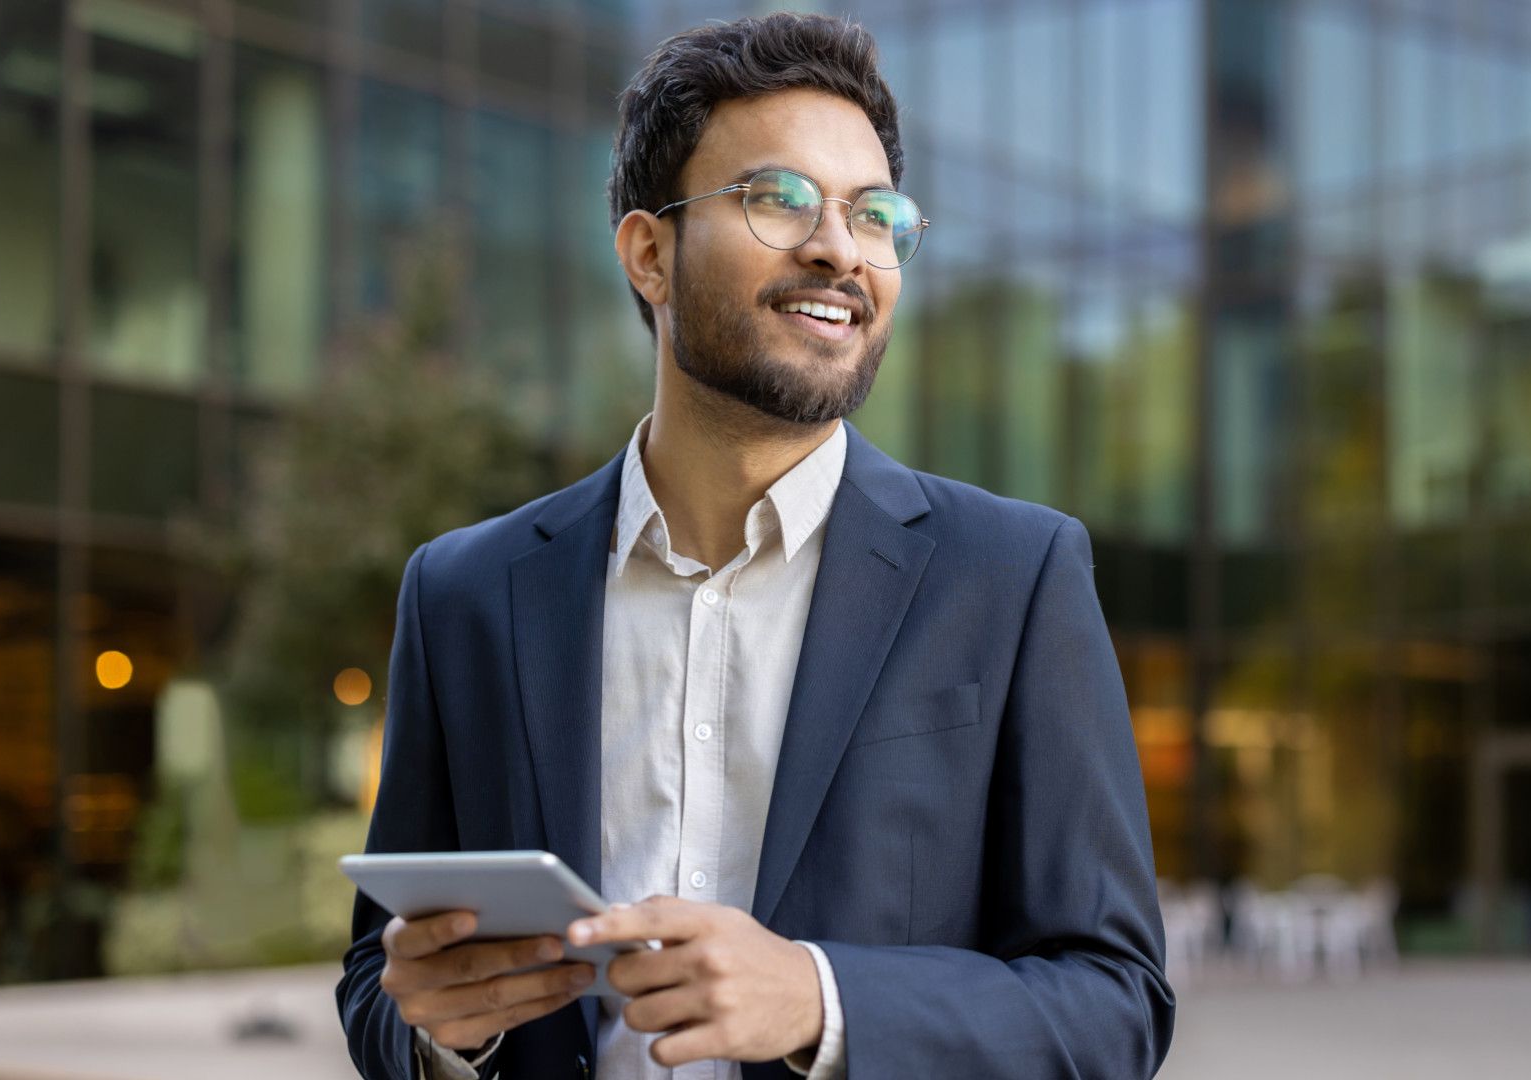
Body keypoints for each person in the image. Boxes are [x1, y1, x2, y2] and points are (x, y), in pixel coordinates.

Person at [335, 12, 1172, 1080]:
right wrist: (447, 1028)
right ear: (649, 254)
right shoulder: (467, 592)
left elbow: (1115, 1006)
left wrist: (823, 1001)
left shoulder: (1012, 579)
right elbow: (379, 980)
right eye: (778, 200)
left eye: (876, 215)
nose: (839, 246)